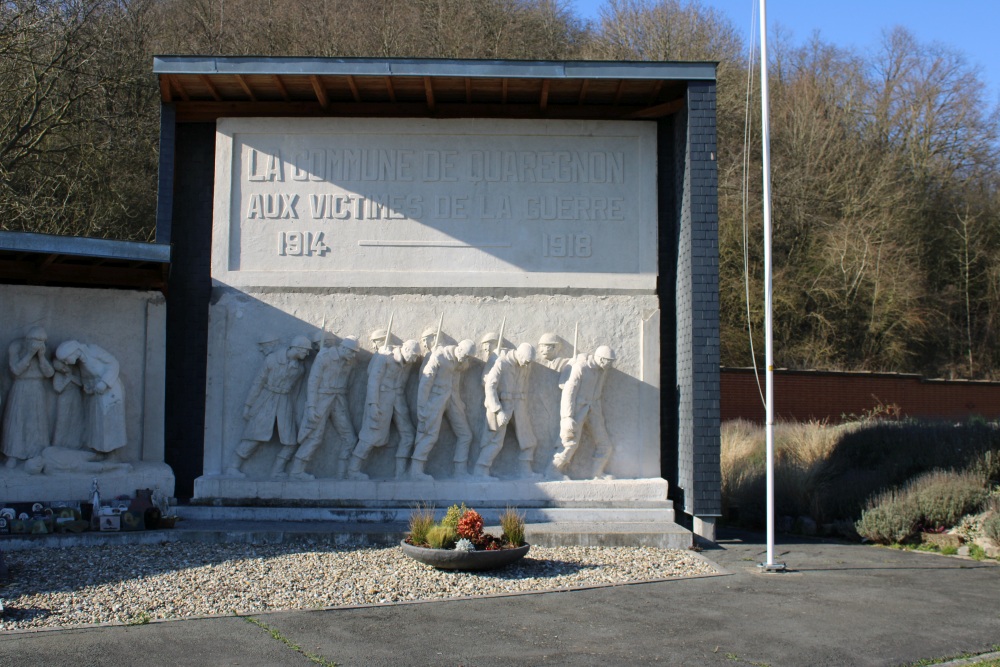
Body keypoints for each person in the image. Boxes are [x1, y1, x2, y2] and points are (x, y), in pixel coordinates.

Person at [227, 336, 312, 477]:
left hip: (285, 402)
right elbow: (258, 383)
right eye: (305, 350)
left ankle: (277, 470)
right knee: (254, 436)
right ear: (297, 348)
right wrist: (248, 405)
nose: (307, 354)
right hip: (267, 399)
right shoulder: (272, 360)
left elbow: (296, 393)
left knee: (290, 440)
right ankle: (233, 467)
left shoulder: (300, 369)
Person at [347, 339, 420, 480]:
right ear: (406, 349)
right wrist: (373, 404)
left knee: (408, 435)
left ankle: (400, 474)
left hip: (398, 399)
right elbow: (373, 380)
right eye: (414, 355)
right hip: (381, 398)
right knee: (371, 435)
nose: (415, 359)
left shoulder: (407, 361)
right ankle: (352, 470)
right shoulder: (385, 357)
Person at [291, 336, 359, 480]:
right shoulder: (324, 357)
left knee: (349, 438)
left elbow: (350, 381)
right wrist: (311, 406)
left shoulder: (349, 362)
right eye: (352, 352)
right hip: (321, 400)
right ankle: (297, 471)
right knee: (314, 437)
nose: (353, 355)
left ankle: (343, 473)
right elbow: (313, 383)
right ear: (344, 348)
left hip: (338, 400)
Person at [410, 339, 475, 480]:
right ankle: (415, 471)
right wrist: (422, 406)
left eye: (468, 357)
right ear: (458, 349)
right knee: (429, 434)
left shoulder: (460, 360)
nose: (466, 359)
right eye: (465, 356)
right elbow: (425, 382)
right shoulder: (439, 356)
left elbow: (463, 367)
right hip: (436, 398)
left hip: (452, 398)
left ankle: (460, 471)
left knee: (465, 434)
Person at [474, 342, 539, 480]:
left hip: (519, 405)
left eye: (529, 362)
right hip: (501, 405)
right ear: (519, 355)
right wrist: (498, 411)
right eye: (526, 361)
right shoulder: (502, 363)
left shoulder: (524, 364)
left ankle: (525, 471)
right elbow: (489, 387)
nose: (527, 365)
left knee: (528, 440)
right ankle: (481, 470)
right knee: (494, 440)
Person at [552, 345, 616, 479]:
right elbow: (569, 392)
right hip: (577, 409)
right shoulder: (580, 367)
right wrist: (567, 417)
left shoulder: (601, 370)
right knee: (569, 443)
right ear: (602, 359)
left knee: (605, 444)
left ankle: (597, 474)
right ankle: (552, 471)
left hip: (593, 409)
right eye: (609, 361)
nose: (610, 365)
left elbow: (597, 392)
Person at [54, 340, 127, 456]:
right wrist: (87, 387)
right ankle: (100, 453)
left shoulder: (93, 350)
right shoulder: (80, 363)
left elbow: (113, 363)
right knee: (96, 423)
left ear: (73, 352)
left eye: (65, 360)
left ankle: (113, 456)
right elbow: (86, 378)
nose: (66, 363)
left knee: (109, 422)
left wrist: (104, 382)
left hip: (109, 390)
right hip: (95, 393)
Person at [2, 326, 55, 467]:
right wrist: (30, 354)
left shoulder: (45, 349)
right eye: (36, 341)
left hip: (37, 388)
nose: (39, 344)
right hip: (21, 387)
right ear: (28, 339)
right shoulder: (16, 346)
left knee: (36, 423)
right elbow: (16, 370)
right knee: (17, 422)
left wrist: (42, 357)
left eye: (42, 341)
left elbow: (49, 373)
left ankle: (36, 454)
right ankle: (13, 455)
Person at [24, 446, 132, 475]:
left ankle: (111, 456)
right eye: (35, 464)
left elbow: (63, 449)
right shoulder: (49, 470)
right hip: (78, 467)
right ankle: (121, 466)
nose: (36, 460)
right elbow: (64, 476)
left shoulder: (47, 451)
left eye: (33, 460)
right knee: (100, 467)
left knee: (96, 456)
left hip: (77, 455)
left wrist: (75, 452)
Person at [51, 357, 85, 449]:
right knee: (62, 420)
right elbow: (58, 388)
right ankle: (58, 444)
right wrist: (67, 380)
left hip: (76, 396)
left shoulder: (74, 370)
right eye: (60, 369)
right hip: (64, 398)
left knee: (76, 419)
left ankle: (76, 444)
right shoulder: (58, 375)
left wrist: (72, 377)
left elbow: (82, 383)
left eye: (63, 367)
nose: (63, 370)